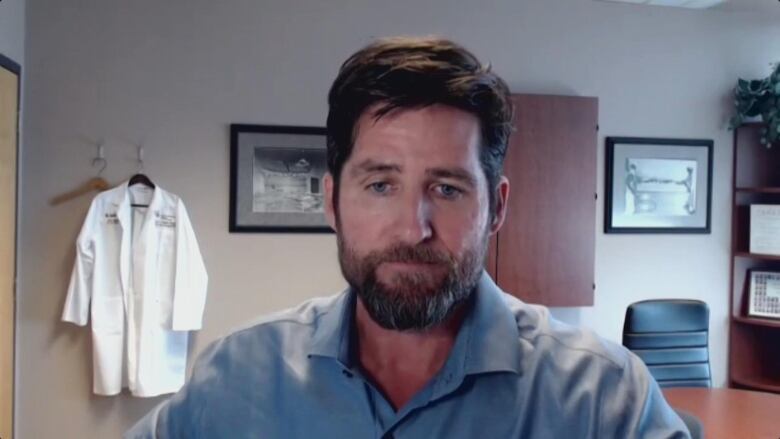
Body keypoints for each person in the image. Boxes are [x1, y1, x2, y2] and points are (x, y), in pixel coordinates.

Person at [126, 36, 690, 438]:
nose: (412, 228)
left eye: (447, 189)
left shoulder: (604, 401)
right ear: (330, 202)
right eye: (379, 185)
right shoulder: (237, 376)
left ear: (496, 208)